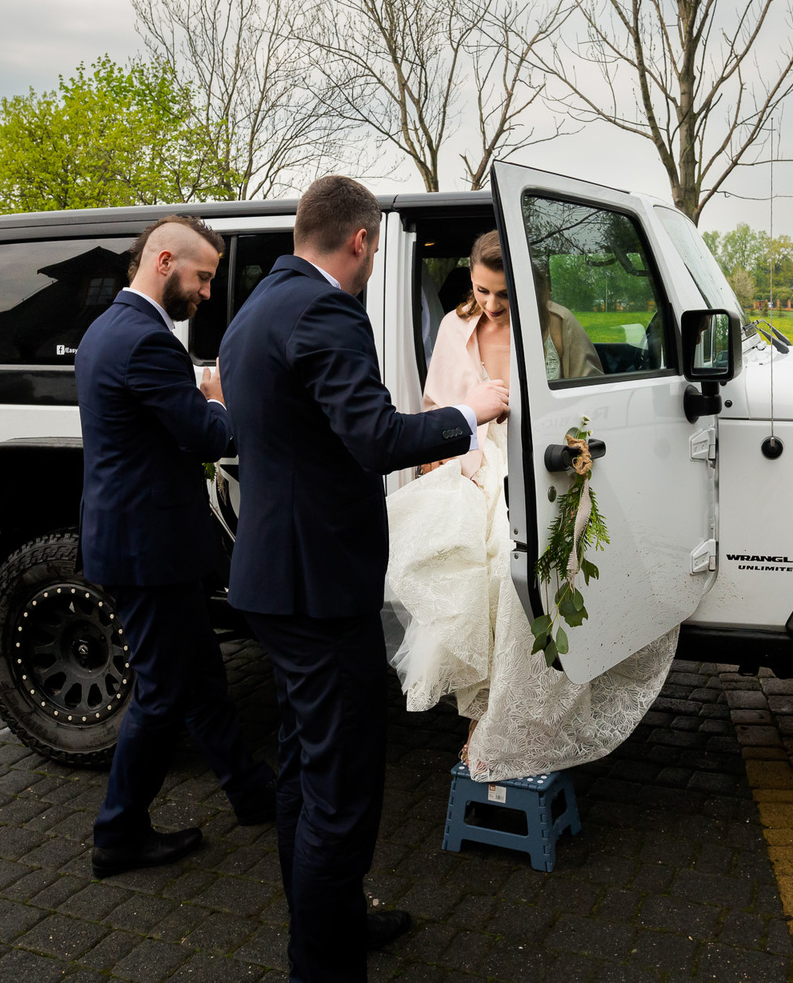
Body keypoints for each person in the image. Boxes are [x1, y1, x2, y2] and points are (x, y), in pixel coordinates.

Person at [219, 176, 510, 983]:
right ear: (360, 241)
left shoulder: (254, 310)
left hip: (274, 578)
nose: (373, 260)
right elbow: (375, 436)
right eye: (376, 247)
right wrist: (471, 415)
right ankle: (322, 964)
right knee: (342, 795)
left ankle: (333, 921)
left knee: (305, 771)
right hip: (318, 589)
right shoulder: (322, 311)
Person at [387, 231, 677, 782]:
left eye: (503, 294)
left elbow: (590, 406)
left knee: (517, 577)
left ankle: (511, 723)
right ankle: (481, 721)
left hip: (539, 469)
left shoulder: (557, 326)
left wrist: (572, 446)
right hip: (471, 469)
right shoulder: (454, 326)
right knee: (465, 575)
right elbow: (434, 406)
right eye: (482, 290)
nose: (492, 305)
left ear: (528, 287)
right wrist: (450, 451)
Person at [76, 215, 275, 881]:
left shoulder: (108, 329)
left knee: (199, 678)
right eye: (204, 276)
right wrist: (216, 399)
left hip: (144, 539)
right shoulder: (145, 342)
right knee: (163, 693)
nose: (208, 292)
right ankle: (118, 833)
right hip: (147, 548)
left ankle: (249, 792)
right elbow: (207, 437)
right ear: (163, 261)